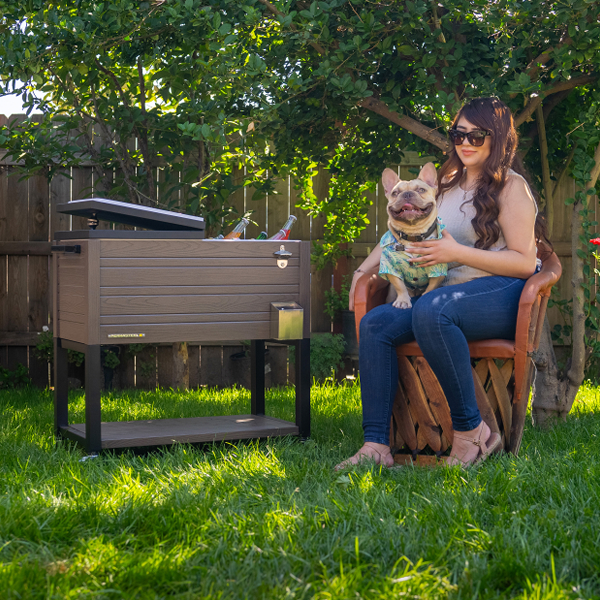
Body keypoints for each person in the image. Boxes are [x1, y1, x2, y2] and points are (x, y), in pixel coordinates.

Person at [337, 97, 551, 469]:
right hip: (448, 294)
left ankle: (473, 434)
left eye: (477, 135)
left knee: (433, 311)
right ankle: (376, 446)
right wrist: (362, 271)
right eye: (458, 134)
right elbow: (400, 230)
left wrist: (456, 253)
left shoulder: (511, 187)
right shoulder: (446, 184)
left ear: (497, 137)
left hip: (500, 292)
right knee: (376, 323)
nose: (465, 142)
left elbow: (522, 262)